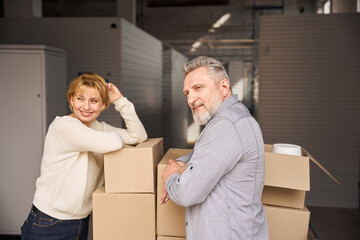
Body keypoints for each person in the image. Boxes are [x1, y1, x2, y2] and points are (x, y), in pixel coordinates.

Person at [21, 73, 147, 240]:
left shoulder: (97, 127)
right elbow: (114, 143)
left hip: (79, 221)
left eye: (94, 101)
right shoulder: (63, 126)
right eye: (80, 99)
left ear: (103, 105)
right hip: (49, 221)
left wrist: (120, 101)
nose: (86, 106)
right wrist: (112, 137)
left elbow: (138, 136)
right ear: (71, 100)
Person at [161, 56, 268, 240]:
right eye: (187, 93)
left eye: (198, 88)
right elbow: (204, 153)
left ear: (224, 87)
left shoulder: (226, 125)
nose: (191, 99)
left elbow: (186, 193)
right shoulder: (234, 116)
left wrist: (171, 175)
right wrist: (181, 162)